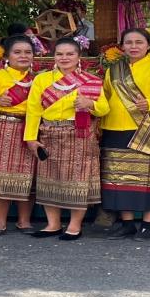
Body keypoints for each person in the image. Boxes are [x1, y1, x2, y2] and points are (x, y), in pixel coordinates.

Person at [24, 37, 109, 240]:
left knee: (78, 180)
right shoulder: (42, 80)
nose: (64, 58)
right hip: (49, 133)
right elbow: (33, 110)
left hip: (79, 135)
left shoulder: (91, 80)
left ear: (79, 57)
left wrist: (90, 104)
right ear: (54, 56)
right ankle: (53, 224)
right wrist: (31, 138)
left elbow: (105, 109)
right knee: (49, 178)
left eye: (70, 54)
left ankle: (74, 225)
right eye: (60, 54)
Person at [100, 28, 150, 240]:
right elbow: (105, 96)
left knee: (146, 177)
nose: (133, 46)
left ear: (148, 45)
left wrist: (149, 103)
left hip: (143, 127)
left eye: (139, 42)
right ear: (122, 46)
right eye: (129, 42)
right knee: (118, 178)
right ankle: (127, 224)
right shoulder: (114, 69)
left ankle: (147, 225)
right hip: (113, 126)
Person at [0, 35, 38, 236]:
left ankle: (24, 221)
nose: (23, 56)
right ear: (7, 56)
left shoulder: (39, 79)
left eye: (28, 52)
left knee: (28, 176)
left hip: (28, 129)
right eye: (17, 52)